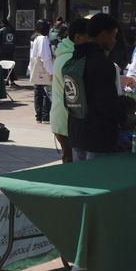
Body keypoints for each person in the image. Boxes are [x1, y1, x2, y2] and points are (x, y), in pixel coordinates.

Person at [64, 13, 121, 160]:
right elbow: (106, 102)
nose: (115, 41)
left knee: (80, 179)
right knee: (98, 180)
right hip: (98, 135)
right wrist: (122, 119)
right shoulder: (102, 63)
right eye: (113, 35)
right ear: (103, 35)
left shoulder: (75, 58)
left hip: (76, 130)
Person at [51, 18, 87, 163]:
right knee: (72, 160)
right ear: (77, 37)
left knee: (68, 158)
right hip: (68, 119)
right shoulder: (72, 58)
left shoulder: (63, 54)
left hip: (61, 117)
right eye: (89, 36)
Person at [28, 19, 54, 123]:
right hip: (44, 69)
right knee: (46, 93)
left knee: (38, 92)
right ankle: (45, 116)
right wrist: (50, 71)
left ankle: (38, 116)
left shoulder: (35, 38)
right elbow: (45, 57)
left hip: (36, 68)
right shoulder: (43, 39)